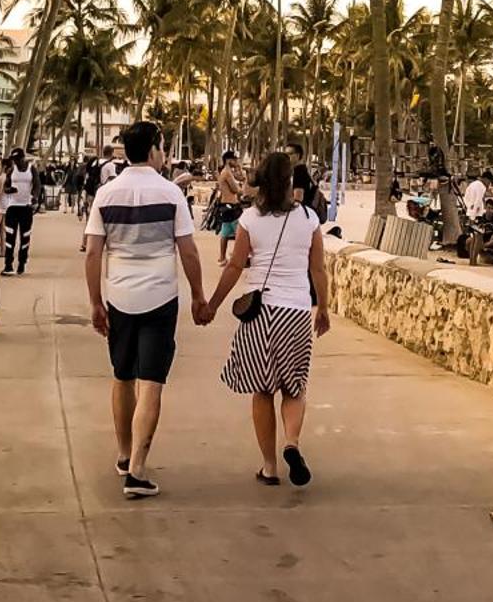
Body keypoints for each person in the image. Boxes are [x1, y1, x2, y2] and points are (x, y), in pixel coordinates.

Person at [84, 120, 205, 500]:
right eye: (162, 147)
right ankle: (137, 470)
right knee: (151, 380)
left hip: (119, 296)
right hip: (160, 297)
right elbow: (187, 250)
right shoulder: (170, 194)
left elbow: (92, 252)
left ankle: (123, 454)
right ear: (153, 149)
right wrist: (200, 296)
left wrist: (95, 303)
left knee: (122, 376)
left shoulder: (106, 194)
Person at [202, 149, 329, 488]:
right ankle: (292, 443)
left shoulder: (250, 220)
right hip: (297, 312)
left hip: (260, 313)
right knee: (294, 386)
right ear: (289, 182)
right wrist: (324, 309)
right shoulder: (308, 219)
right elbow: (317, 268)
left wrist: (212, 304)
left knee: (262, 390)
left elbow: (234, 266)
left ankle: (270, 466)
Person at [1, 146, 40, 277]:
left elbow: (37, 185)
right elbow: (5, 187)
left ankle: (22, 262)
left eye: (18, 159)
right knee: (10, 237)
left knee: (25, 237)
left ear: (23, 158)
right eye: (14, 160)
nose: (16, 162)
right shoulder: (11, 170)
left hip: (26, 207)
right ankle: (8, 264)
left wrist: (35, 197)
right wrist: (9, 190)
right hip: (12, 207)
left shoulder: (31, 169)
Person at [213, 151, 247, 267]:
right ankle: (238, 256)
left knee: (225, 232)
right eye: (235, 160)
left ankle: (222, 258)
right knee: (240, 233)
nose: (236, 162)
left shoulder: (226, 171)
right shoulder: (227, 173)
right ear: (229, 160)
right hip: (231, 205)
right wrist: (243, 191)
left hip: (225, 204)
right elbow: (235, 189)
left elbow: (241, 177)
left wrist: (239, 168)